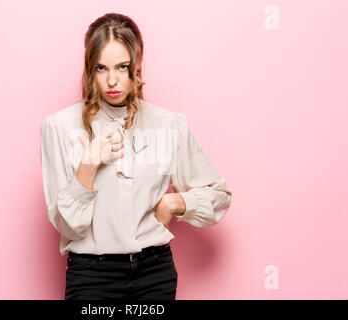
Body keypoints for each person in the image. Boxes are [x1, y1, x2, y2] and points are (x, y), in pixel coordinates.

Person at [40, 13, 232, 300]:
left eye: (122, 67)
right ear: (90, 69)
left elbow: (220, 195)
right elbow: (69, 225)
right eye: (102, 68)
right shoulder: (58, 127)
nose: (112, 80)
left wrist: (174, 202)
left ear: (137, 66)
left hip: (154, 272)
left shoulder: (168, 124)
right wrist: (89, 165)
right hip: (92, 276)